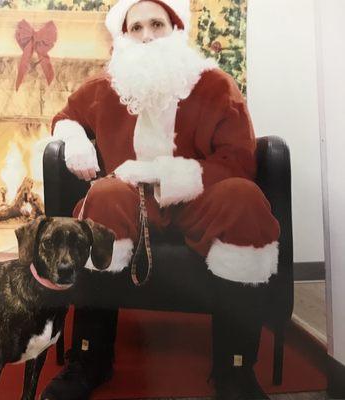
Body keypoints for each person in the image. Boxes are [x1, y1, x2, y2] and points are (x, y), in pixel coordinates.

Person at [41, 0, 281, 399]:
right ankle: (90, 357)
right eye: (137, 28)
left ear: (175, 30)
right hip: (129, 200)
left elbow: (238, 158)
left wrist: (165, 174)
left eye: (157, 24)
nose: (148, 35)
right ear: (124, 35)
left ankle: (235, 368)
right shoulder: (106, 86)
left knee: (244, 200)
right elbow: (66, 116)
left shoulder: (215, 85)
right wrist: (74, 138)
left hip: (199, 197)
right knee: (102, 197)